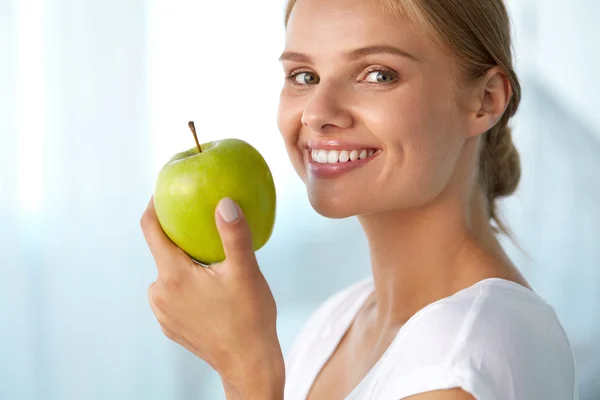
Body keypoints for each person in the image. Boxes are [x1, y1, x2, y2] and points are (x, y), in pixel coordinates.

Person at [140, 0, 579, 398]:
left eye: (377, 74)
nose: (317, 112)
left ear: (485, 100)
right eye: (304, 76)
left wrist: (247, 372)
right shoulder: (336, 323)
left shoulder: (472, 349)